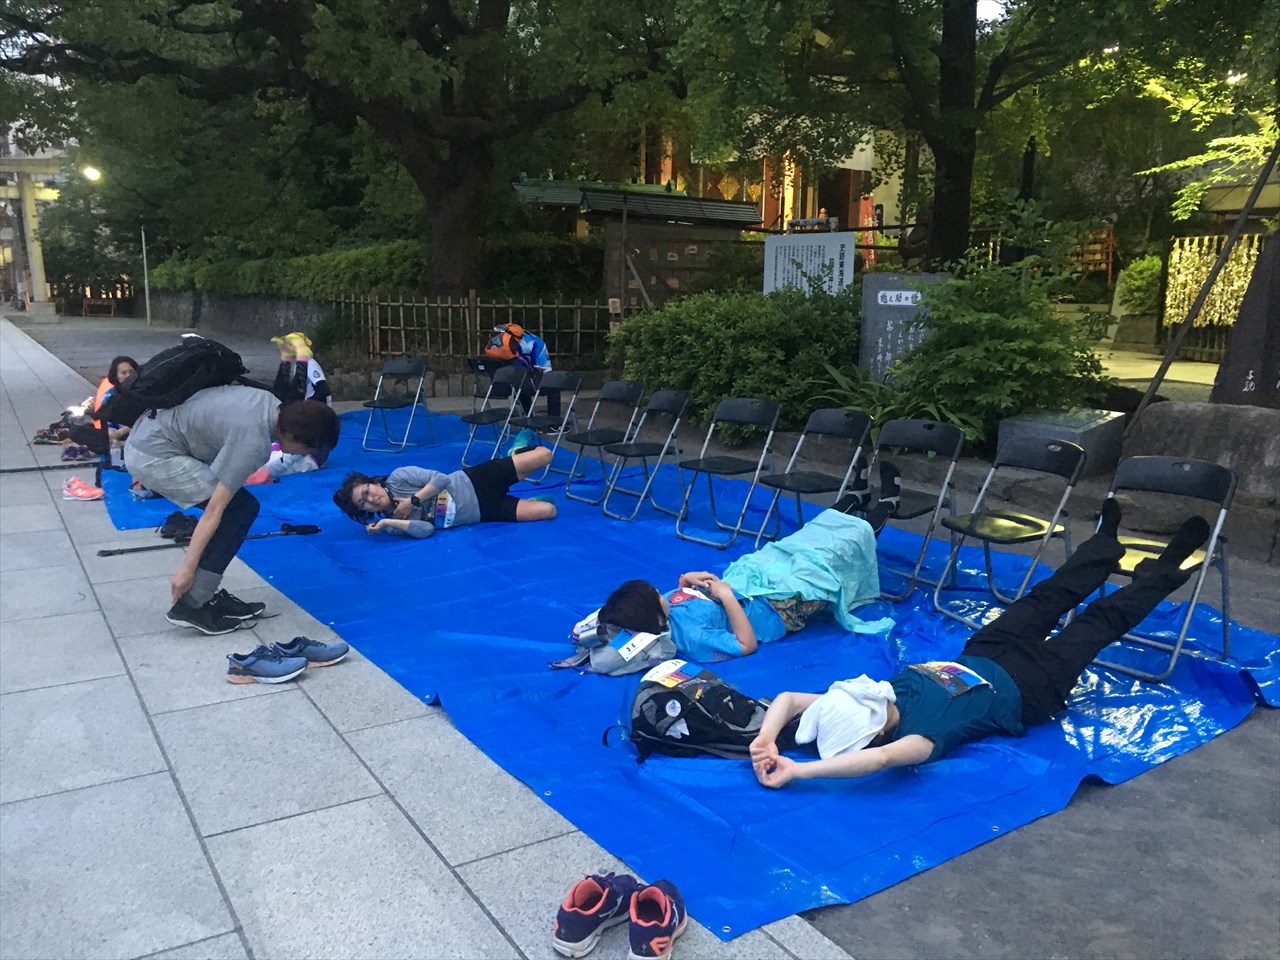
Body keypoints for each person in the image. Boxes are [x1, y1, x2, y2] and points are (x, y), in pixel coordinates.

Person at [749, 500, 1212, 788]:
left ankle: (1103, 545)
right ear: (875, 732)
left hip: (986, 651)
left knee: (1047, 597)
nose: (864, 691)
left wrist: (766, 740)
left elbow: (788, 698)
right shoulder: (918, 738)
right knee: (1100, 621)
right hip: (1033, 687)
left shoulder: (880, 693)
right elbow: (878, 761)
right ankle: (1166, 567)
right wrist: (798, 770)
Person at [593, 482, 900, 662]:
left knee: (803, 540)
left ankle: (855, 496)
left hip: (749, 585)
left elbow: (681, 596)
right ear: (656, 619)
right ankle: (886, 506)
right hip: (774, 610)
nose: (660, 592)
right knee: (833, 555)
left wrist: (686, 580)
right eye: (655, 595)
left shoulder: (665, 611)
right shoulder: (693, 638)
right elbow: (745, 645)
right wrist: (726, 597)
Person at [124, 386, 341, 635]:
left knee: (241, 507)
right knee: (238, 511)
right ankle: (193, 604)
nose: (305, 455)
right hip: (152, 454)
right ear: (292, 435)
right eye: (308, 449)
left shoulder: (268, 401)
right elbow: (214, 511)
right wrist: (186, 570)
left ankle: (205, 594)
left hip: (148, 431)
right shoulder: (253, 443)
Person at [333, 433, 557, 538]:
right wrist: (389, 521)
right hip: (484, 511)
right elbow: (426, 530)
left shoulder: (399, 477)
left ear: (373, 483)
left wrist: (414, 500)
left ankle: (516, 452)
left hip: (476, 480)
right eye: (363, 503)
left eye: (367, 491)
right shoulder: (391, 523)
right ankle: (530, 501)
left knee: (545, 455)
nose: (371, 499)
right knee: (548, 511)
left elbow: (442, 479)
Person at [264, 332, 332, 478]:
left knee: (289, 406)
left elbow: (323, 389)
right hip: (302, 438)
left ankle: (292, 357)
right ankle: (286, 359)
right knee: (281, 397)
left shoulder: (312, 364)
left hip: (312, 420)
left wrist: (308, 406)